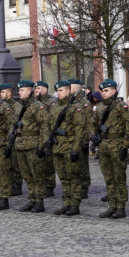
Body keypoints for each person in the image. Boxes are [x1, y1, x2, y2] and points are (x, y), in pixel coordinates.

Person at [89, 79, 129, 219]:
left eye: (106, 90)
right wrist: (94, 136)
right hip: (103, 146)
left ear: (114, 91)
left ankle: (120, 207)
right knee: (108, 178)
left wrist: (125, 146)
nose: (104, 93)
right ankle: (112, 205)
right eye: (102, 91)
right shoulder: (100, 107)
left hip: (117, 144)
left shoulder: (121, 107)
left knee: (119, 178)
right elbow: (93, 123)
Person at [47, 81, 87, 216]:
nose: (59, 93)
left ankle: (75, 205)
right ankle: (66, 203)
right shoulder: (54, 107)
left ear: (69, 91)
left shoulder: (75, 107)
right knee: (63, 178)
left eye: (62, 90)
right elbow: (50, 126)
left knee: (73, 177)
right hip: (57, 146)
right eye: (58, 91)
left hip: (70, 146)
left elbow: (80, 129)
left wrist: (76, 148)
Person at [11, 81, 49, 212]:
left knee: (37, 175)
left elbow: (45, 126)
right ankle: (32, 199)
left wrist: (42, 145)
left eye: (22, 90)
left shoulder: (37, 106)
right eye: (19, 90)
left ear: (29, 91)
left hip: (33, 145)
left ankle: (39, 201)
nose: (19, 92)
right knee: (27, 176)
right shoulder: (20, 107)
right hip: (21, 145)